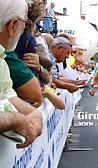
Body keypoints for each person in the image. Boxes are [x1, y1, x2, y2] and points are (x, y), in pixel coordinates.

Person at [0, 0, 42, 148]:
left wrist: (33, 113)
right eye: (25, 24)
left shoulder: (2, 59)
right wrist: (16, 120)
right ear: (13, 25)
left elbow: (7, 95)